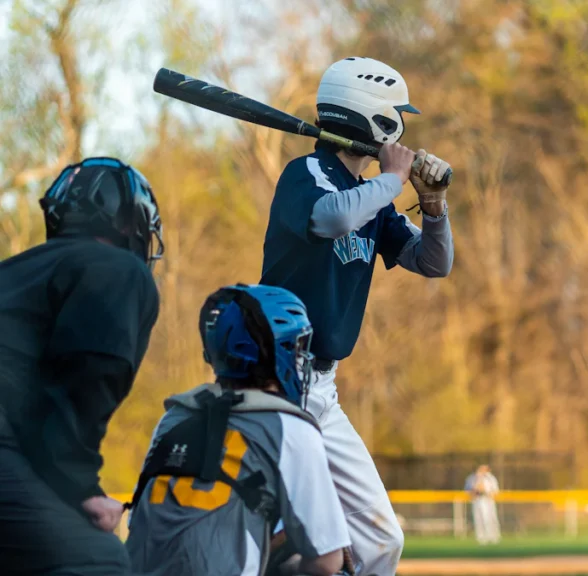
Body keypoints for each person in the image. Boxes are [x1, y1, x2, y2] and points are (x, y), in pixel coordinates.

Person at [260, 56, 455, 573]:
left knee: (381, 541)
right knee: (297, 548)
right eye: (396, 118)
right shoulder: (306, 174)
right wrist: (393, 179)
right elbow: (333, 216)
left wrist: (433, 206)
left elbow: (434, 262)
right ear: (373, 120)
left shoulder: (376, 201)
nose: (403, 132)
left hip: (323, 389)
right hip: (278, 380)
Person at [0, 157, 163, 575]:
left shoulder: (19, 271)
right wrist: (81, 489)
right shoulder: (118, 269)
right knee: (101, 560)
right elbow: (87, 380)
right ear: (129, 223)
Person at [125, 284, 351, 576]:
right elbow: (326, 561)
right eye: (295, 348)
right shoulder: (290, 428)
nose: (301, 359)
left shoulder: (174, 417)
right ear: (275, 354)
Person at [464, 465, 500, 545]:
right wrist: (475, 489)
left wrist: (485, 491)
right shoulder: (472, 478)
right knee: (478, 519)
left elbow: (495, 491)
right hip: (477, 500)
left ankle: (493, 536)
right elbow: (467, 490)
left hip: (488, 500)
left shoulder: (490, 478)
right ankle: (481, 538)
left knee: (490, 519)